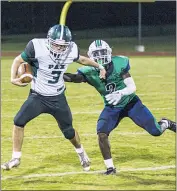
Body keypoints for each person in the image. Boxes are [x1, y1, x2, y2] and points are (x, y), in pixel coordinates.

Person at [1, 25, 107, 171]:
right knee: (18, 121)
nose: (58, 48)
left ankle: (81, 153)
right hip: (37, 96)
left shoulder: (71, 49)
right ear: (49, 41)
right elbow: (17, 60)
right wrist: (13, 78)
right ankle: (16, 158)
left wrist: (99, 66)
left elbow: (82, 60)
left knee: (68, 131)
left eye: (63, 46)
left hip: (58, 97)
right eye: (56, 44)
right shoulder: (36, 46)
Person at [63, 39, 176, 175]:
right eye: (97, 54)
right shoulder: (88, 71)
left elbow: (132, 87)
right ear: (90, 56)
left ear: (109, 52)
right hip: (112, 107)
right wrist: (58, 74)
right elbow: (75, 78)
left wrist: (120, 93)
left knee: (156, 131)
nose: (100, 56)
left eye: (102, 52)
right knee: (102, 133)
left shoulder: (119, 63)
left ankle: (166, 123)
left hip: (131, 103)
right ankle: (110, 168)